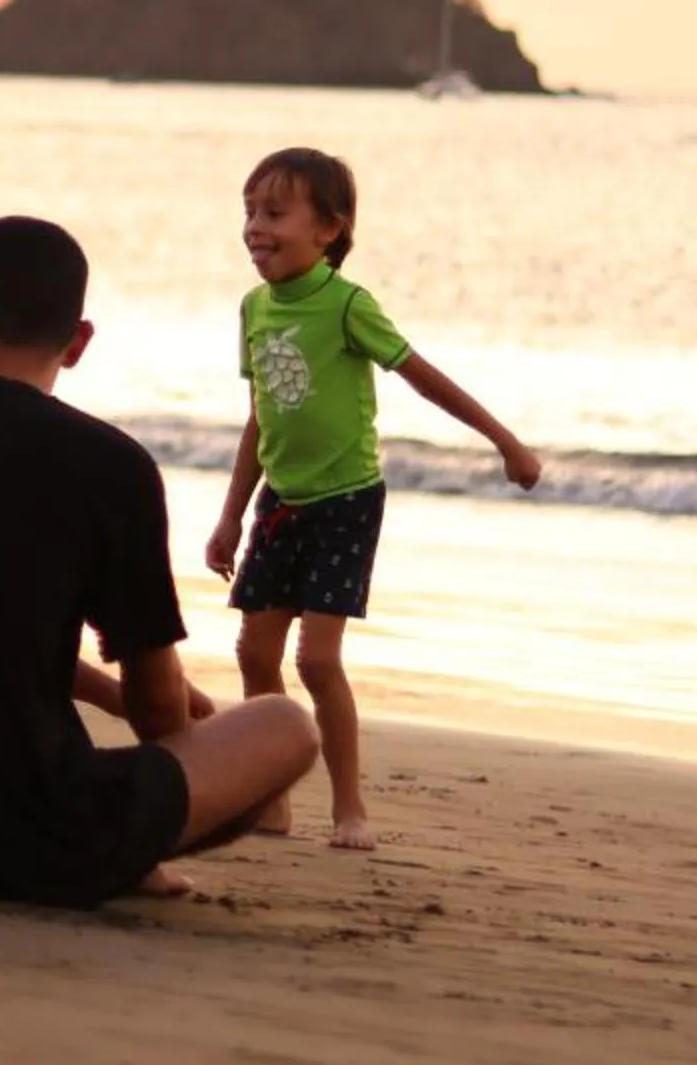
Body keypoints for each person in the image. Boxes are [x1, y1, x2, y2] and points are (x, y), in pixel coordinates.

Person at [0, 217, 318, 908]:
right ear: (77, 343)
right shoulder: (110, 466)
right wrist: (166, 789)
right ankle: (126, 858)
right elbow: (158, 703)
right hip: (20, 835)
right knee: (282, 726)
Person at [204, 147, 541, 851]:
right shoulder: (255, 309)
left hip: (345, 503)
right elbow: (261, 414)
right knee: (255, 652)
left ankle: (350, 808)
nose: (254, 228)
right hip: (280, 502)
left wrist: (505, 441)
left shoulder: (348, 305)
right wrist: (231, 515)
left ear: (329, 230)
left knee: (317, 662)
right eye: (248, 212)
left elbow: (423, 377)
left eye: (274, 213)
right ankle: (272, 798)